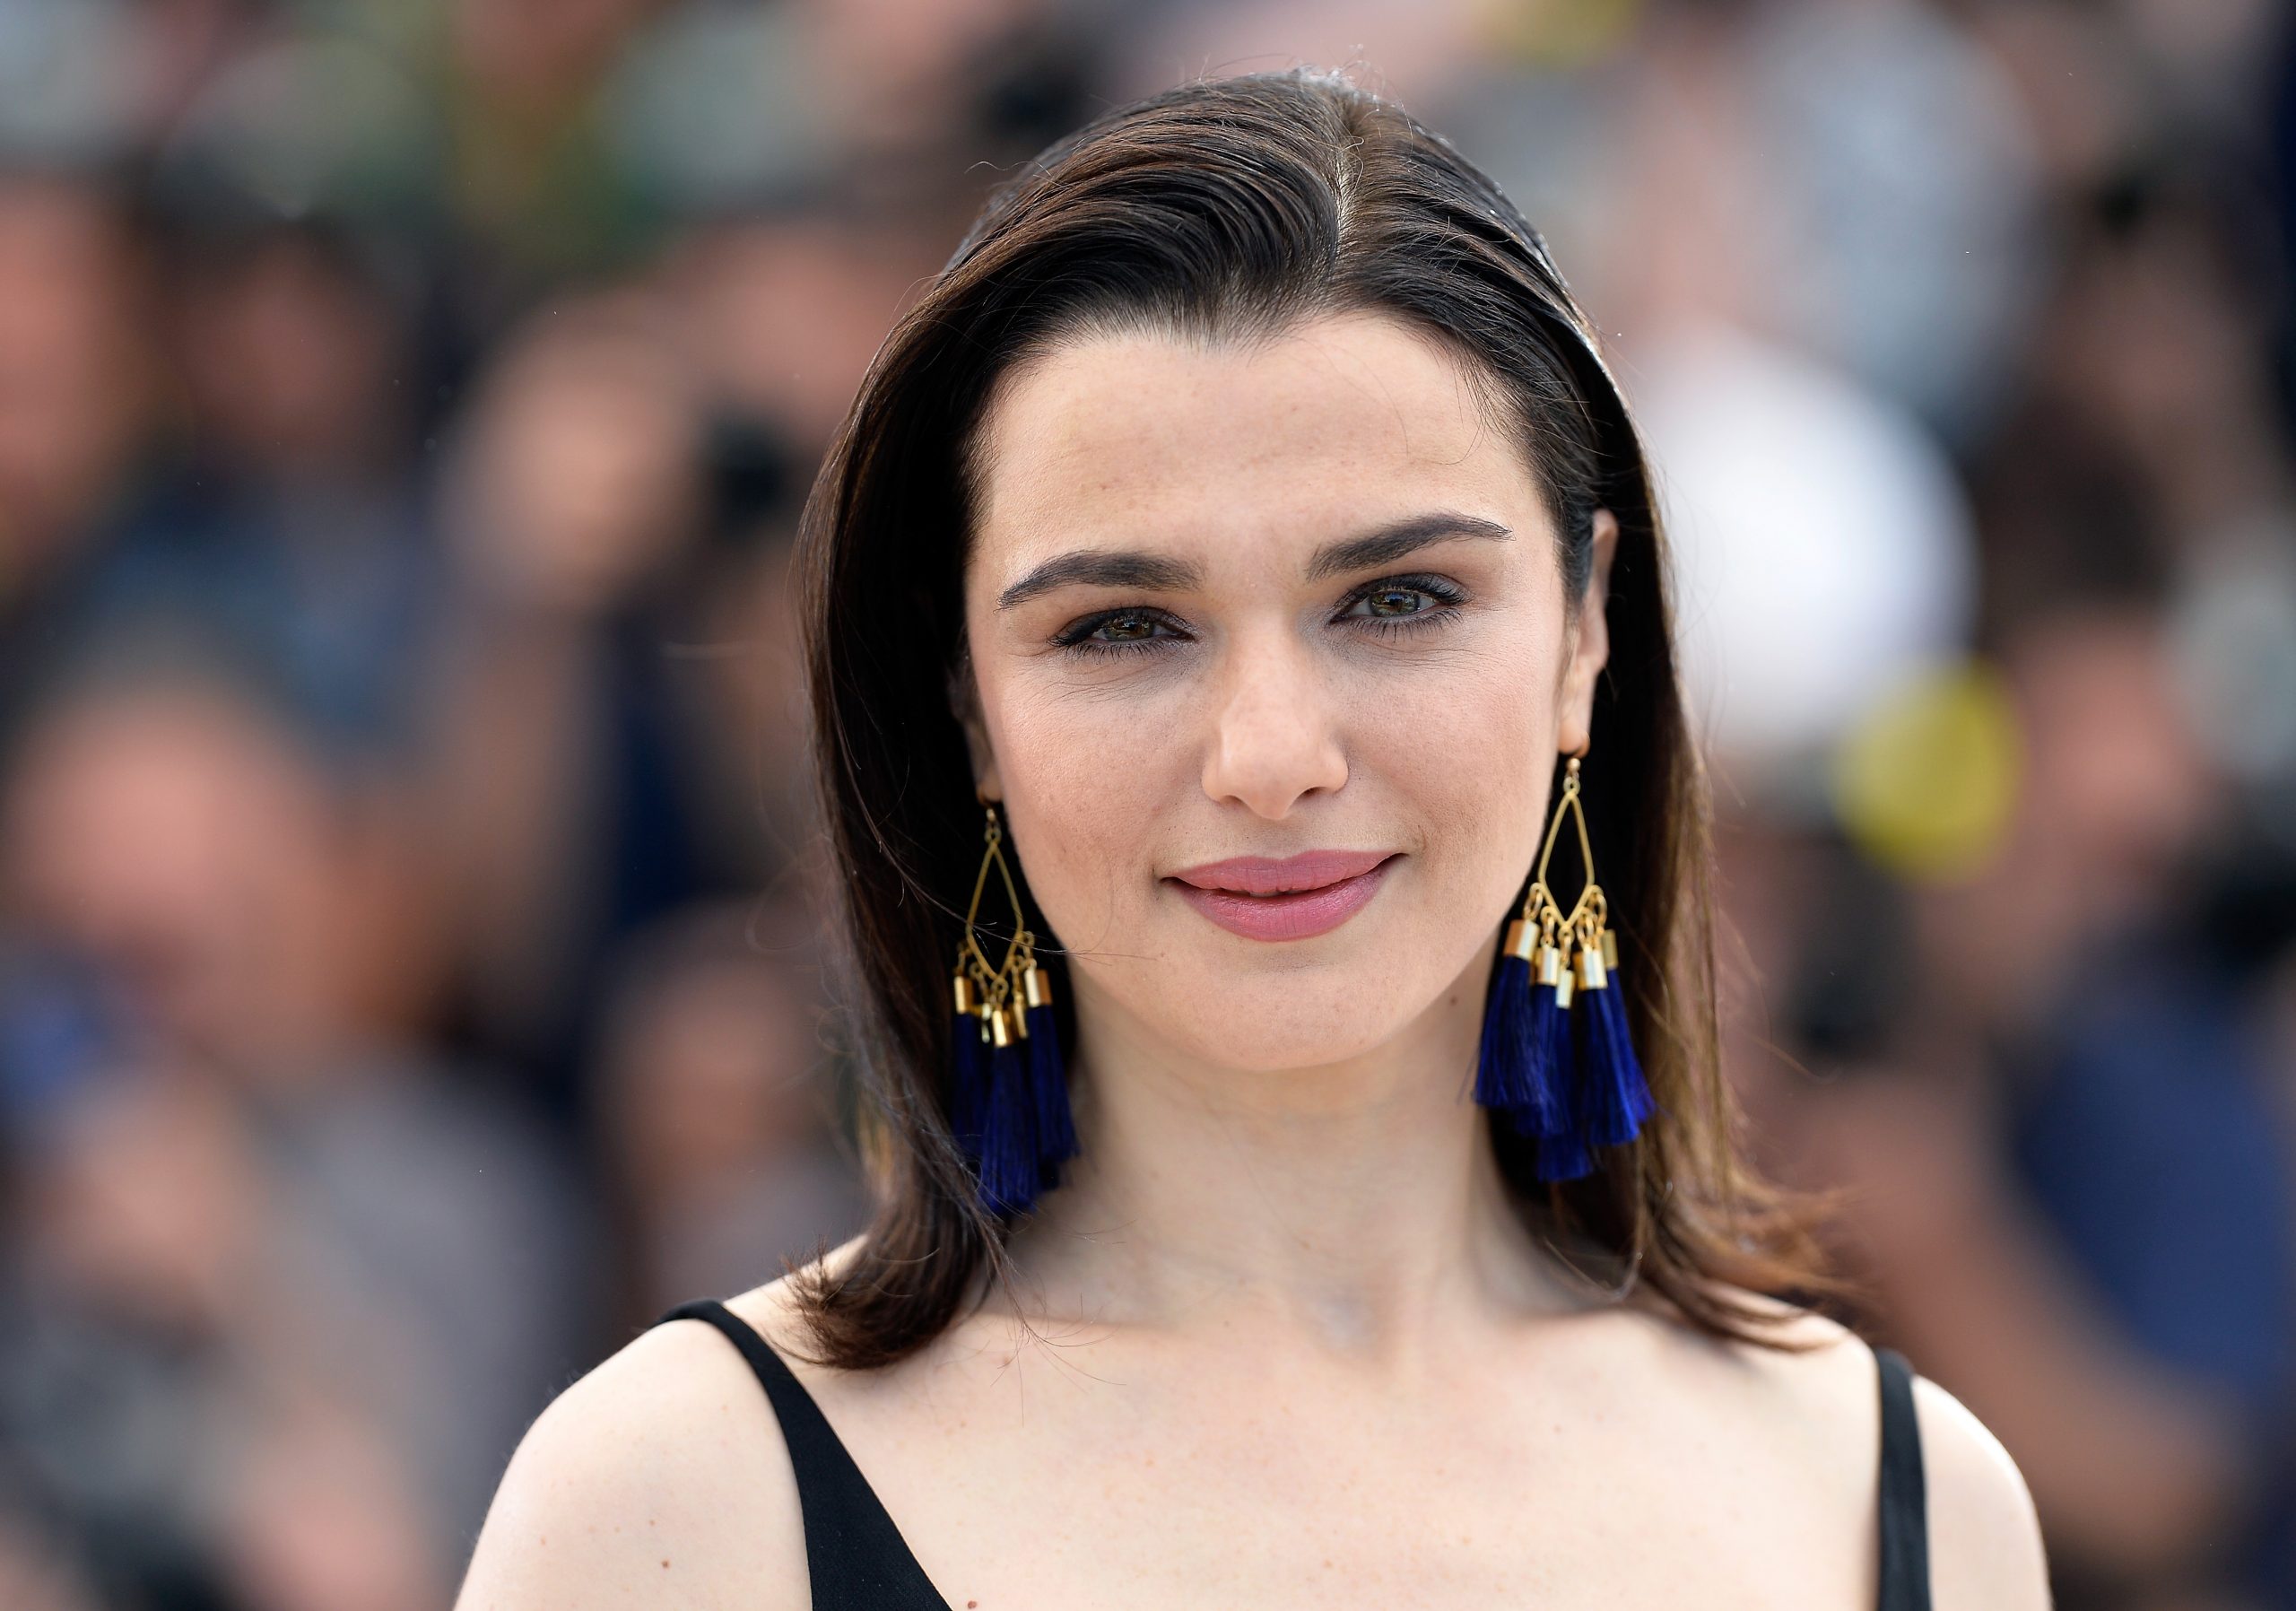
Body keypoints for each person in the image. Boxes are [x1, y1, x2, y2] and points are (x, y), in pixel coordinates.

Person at [454, 66, 2051, 1610]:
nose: (1272, 756)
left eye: (1400, 600)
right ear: (963, 709)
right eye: (1124, 626)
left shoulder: (1891, 1495)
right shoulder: (676, 1510)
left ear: (1584, 633)